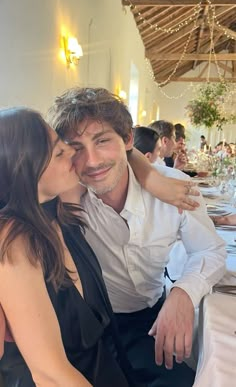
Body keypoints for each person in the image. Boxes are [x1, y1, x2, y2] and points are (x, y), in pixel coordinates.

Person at [48, 87, 226, 387]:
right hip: (91, 330)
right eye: (76, 147)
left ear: (128, 139)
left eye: (102, 140)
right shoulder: (67, 193)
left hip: (150, 320)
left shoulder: (175, 189)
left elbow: (211, 250)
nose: (91, 161)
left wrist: (183, 294)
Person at [0, 107, 147, 387]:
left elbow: (119, 150)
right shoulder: (14, 240)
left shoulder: (57, 209)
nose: (72, 153)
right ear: (25, 170)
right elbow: (49, 373)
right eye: (59, 152)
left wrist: (153, 175)